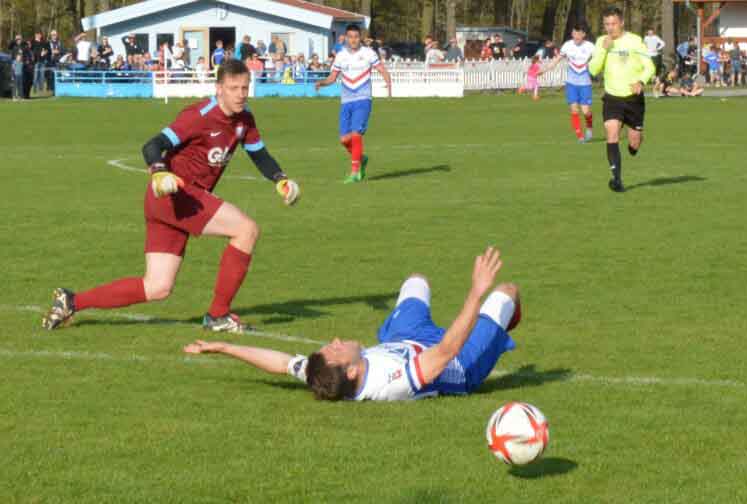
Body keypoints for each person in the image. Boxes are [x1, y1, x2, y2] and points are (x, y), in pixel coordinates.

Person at [41, 60, 302, 333]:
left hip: (169, 203)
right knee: (246, 230)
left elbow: (259, 153)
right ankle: (218, 315)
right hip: (176, 195)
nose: (240, 94)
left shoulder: (244, 118)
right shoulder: (199, 115)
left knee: (157, 287)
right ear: (219, 88)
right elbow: (152, 146)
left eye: (245, 87)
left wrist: (280, 179)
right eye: (233, 88)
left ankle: (72, 300)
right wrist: (159, 171)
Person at [184, 247, 522, 402]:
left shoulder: (323, 374)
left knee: (416, 280)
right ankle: (499, 330)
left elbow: (281, 363)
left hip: (403, 339)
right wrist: (476, 292)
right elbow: (448, 349)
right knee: (506, 292)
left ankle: (492, 322)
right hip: (458, 363)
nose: (334, 340)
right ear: (350, 372)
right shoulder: (394, 382)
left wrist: (225, 347)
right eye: (335, 349)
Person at [315, 24, 393, 184]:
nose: (353, 40)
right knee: (344, 140)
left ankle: (355, 172)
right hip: (346, 101)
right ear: (346, 38)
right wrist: (322, 83)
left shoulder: (368, 53)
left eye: (356, 37)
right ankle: (361, 158)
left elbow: (382, 69)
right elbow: (332, 77)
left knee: (356, 134)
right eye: (350, 37)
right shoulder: (341, 56)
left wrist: (388, 83)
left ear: (360, 38)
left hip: (363, 99)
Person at [589, 7, 655, 193]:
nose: (610, 28)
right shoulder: (602, 41)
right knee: (612, 135)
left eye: (613, 24)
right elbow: (593, 70)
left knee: (633, 141)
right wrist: (603, 50)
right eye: (606, 24)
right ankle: (616, 179)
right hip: (612, 97)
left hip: (633, 99)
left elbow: (649, 67)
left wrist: (641, 81)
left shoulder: (634, 41)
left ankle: (635, 144)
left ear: (622, 23)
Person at [545, 24, 595, 142]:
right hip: (571, 83)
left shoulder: (590, 46)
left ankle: (589, 127)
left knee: (586, 111)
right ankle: (580, 136)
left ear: (584, 34)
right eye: (574, 33)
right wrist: (546, 68)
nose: (576, 36)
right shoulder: (567, 45)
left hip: (585, 84)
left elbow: (599, 59)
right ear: (572, 34)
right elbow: (557, 59)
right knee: (574, 110)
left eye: (579, 33)